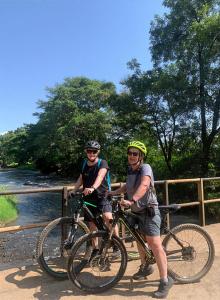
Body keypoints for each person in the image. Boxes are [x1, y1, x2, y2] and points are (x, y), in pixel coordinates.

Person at [109, 141, 173, 299]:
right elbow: (127, 187)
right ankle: (146, 267)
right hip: (137, 212)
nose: (131, 156)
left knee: (155, 244)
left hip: (149, 211)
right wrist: (112, 193)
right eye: (129, 153)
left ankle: (165, 280)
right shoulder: (130, 170)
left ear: (141, 156)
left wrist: (131, 201)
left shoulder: (146, 168)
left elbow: (144, 185)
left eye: (135, 154)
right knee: (138, 238)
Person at [70, 140, 119, 255]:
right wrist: (73, 190)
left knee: (108, 217)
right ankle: (95, 250)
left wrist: (92, 187)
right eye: (89, 151)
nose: (91, 153)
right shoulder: (84, 163)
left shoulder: (102, 163)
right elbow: (81, 178)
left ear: (98, 152)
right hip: (88, 197)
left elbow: (100, 176)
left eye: (94, 151)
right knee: (92, 224)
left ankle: (117, 244)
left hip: (103, 195)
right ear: (86, 151)